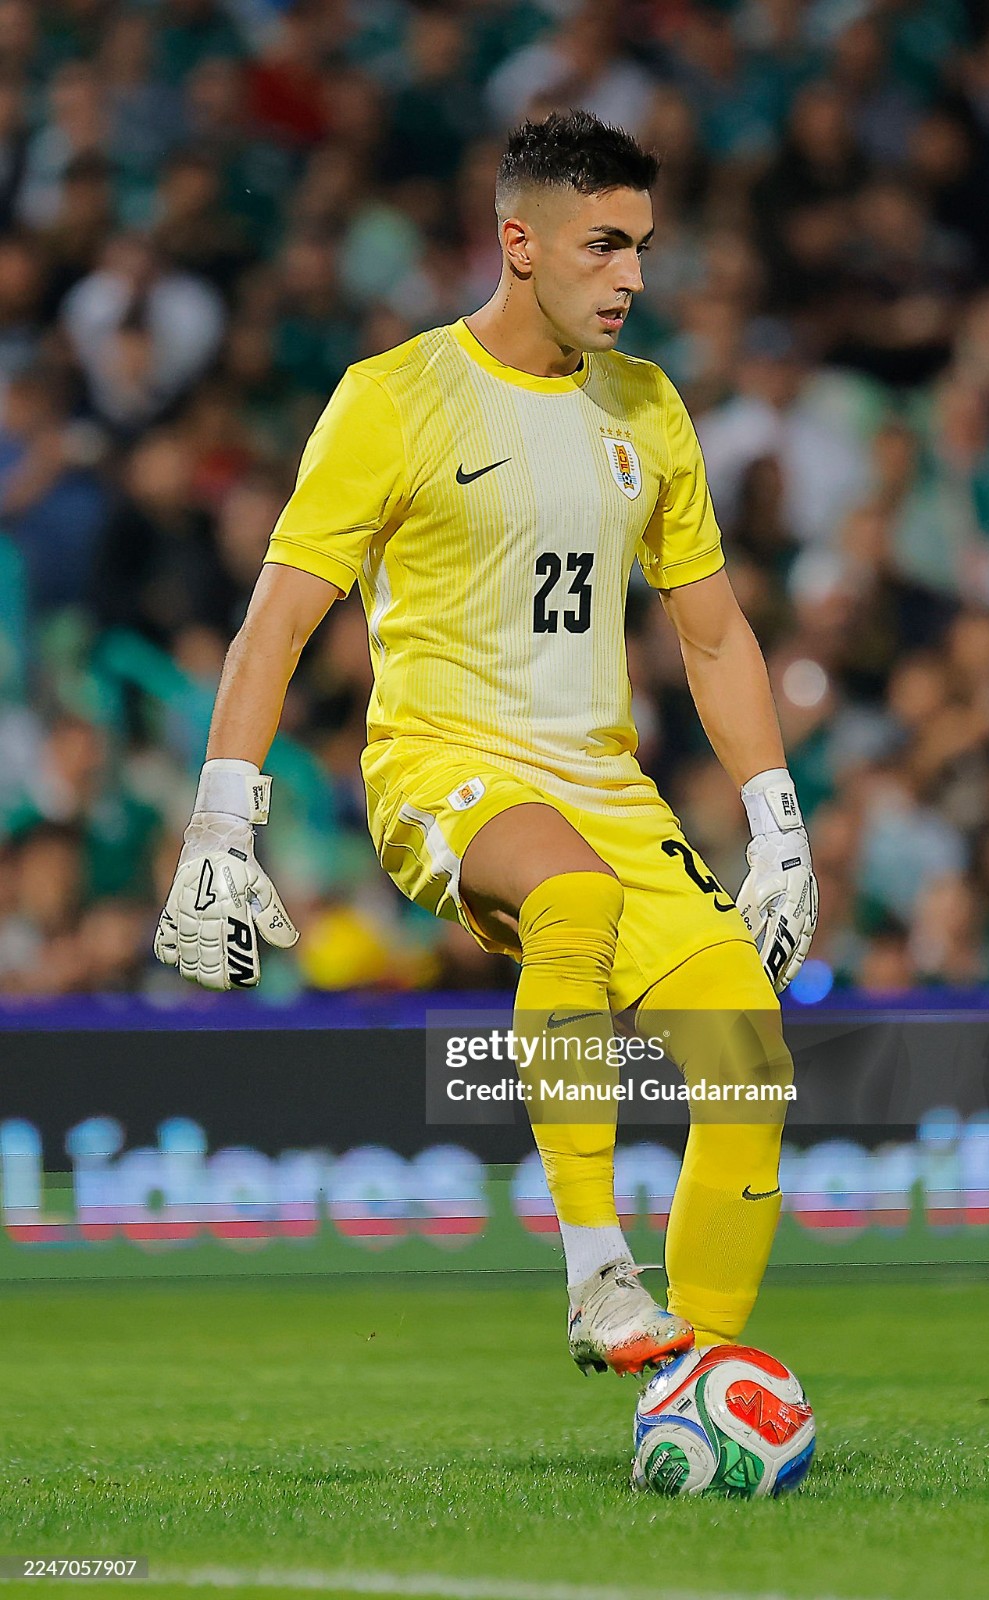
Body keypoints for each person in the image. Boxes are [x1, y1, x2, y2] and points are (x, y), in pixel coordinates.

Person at [155, 111, 818, 1386]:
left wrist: (778, 825)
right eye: (603, 245)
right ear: (519, 242)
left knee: (746, 1058)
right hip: (438, 764)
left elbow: (719, 635)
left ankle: (701, 1387)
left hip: (604, 782)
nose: (631, 276)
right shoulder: (393, 399)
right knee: (563, 893)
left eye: (641, 247)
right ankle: (592, 1270)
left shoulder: (650, 408)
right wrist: (221, 822)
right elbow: (277, 620)